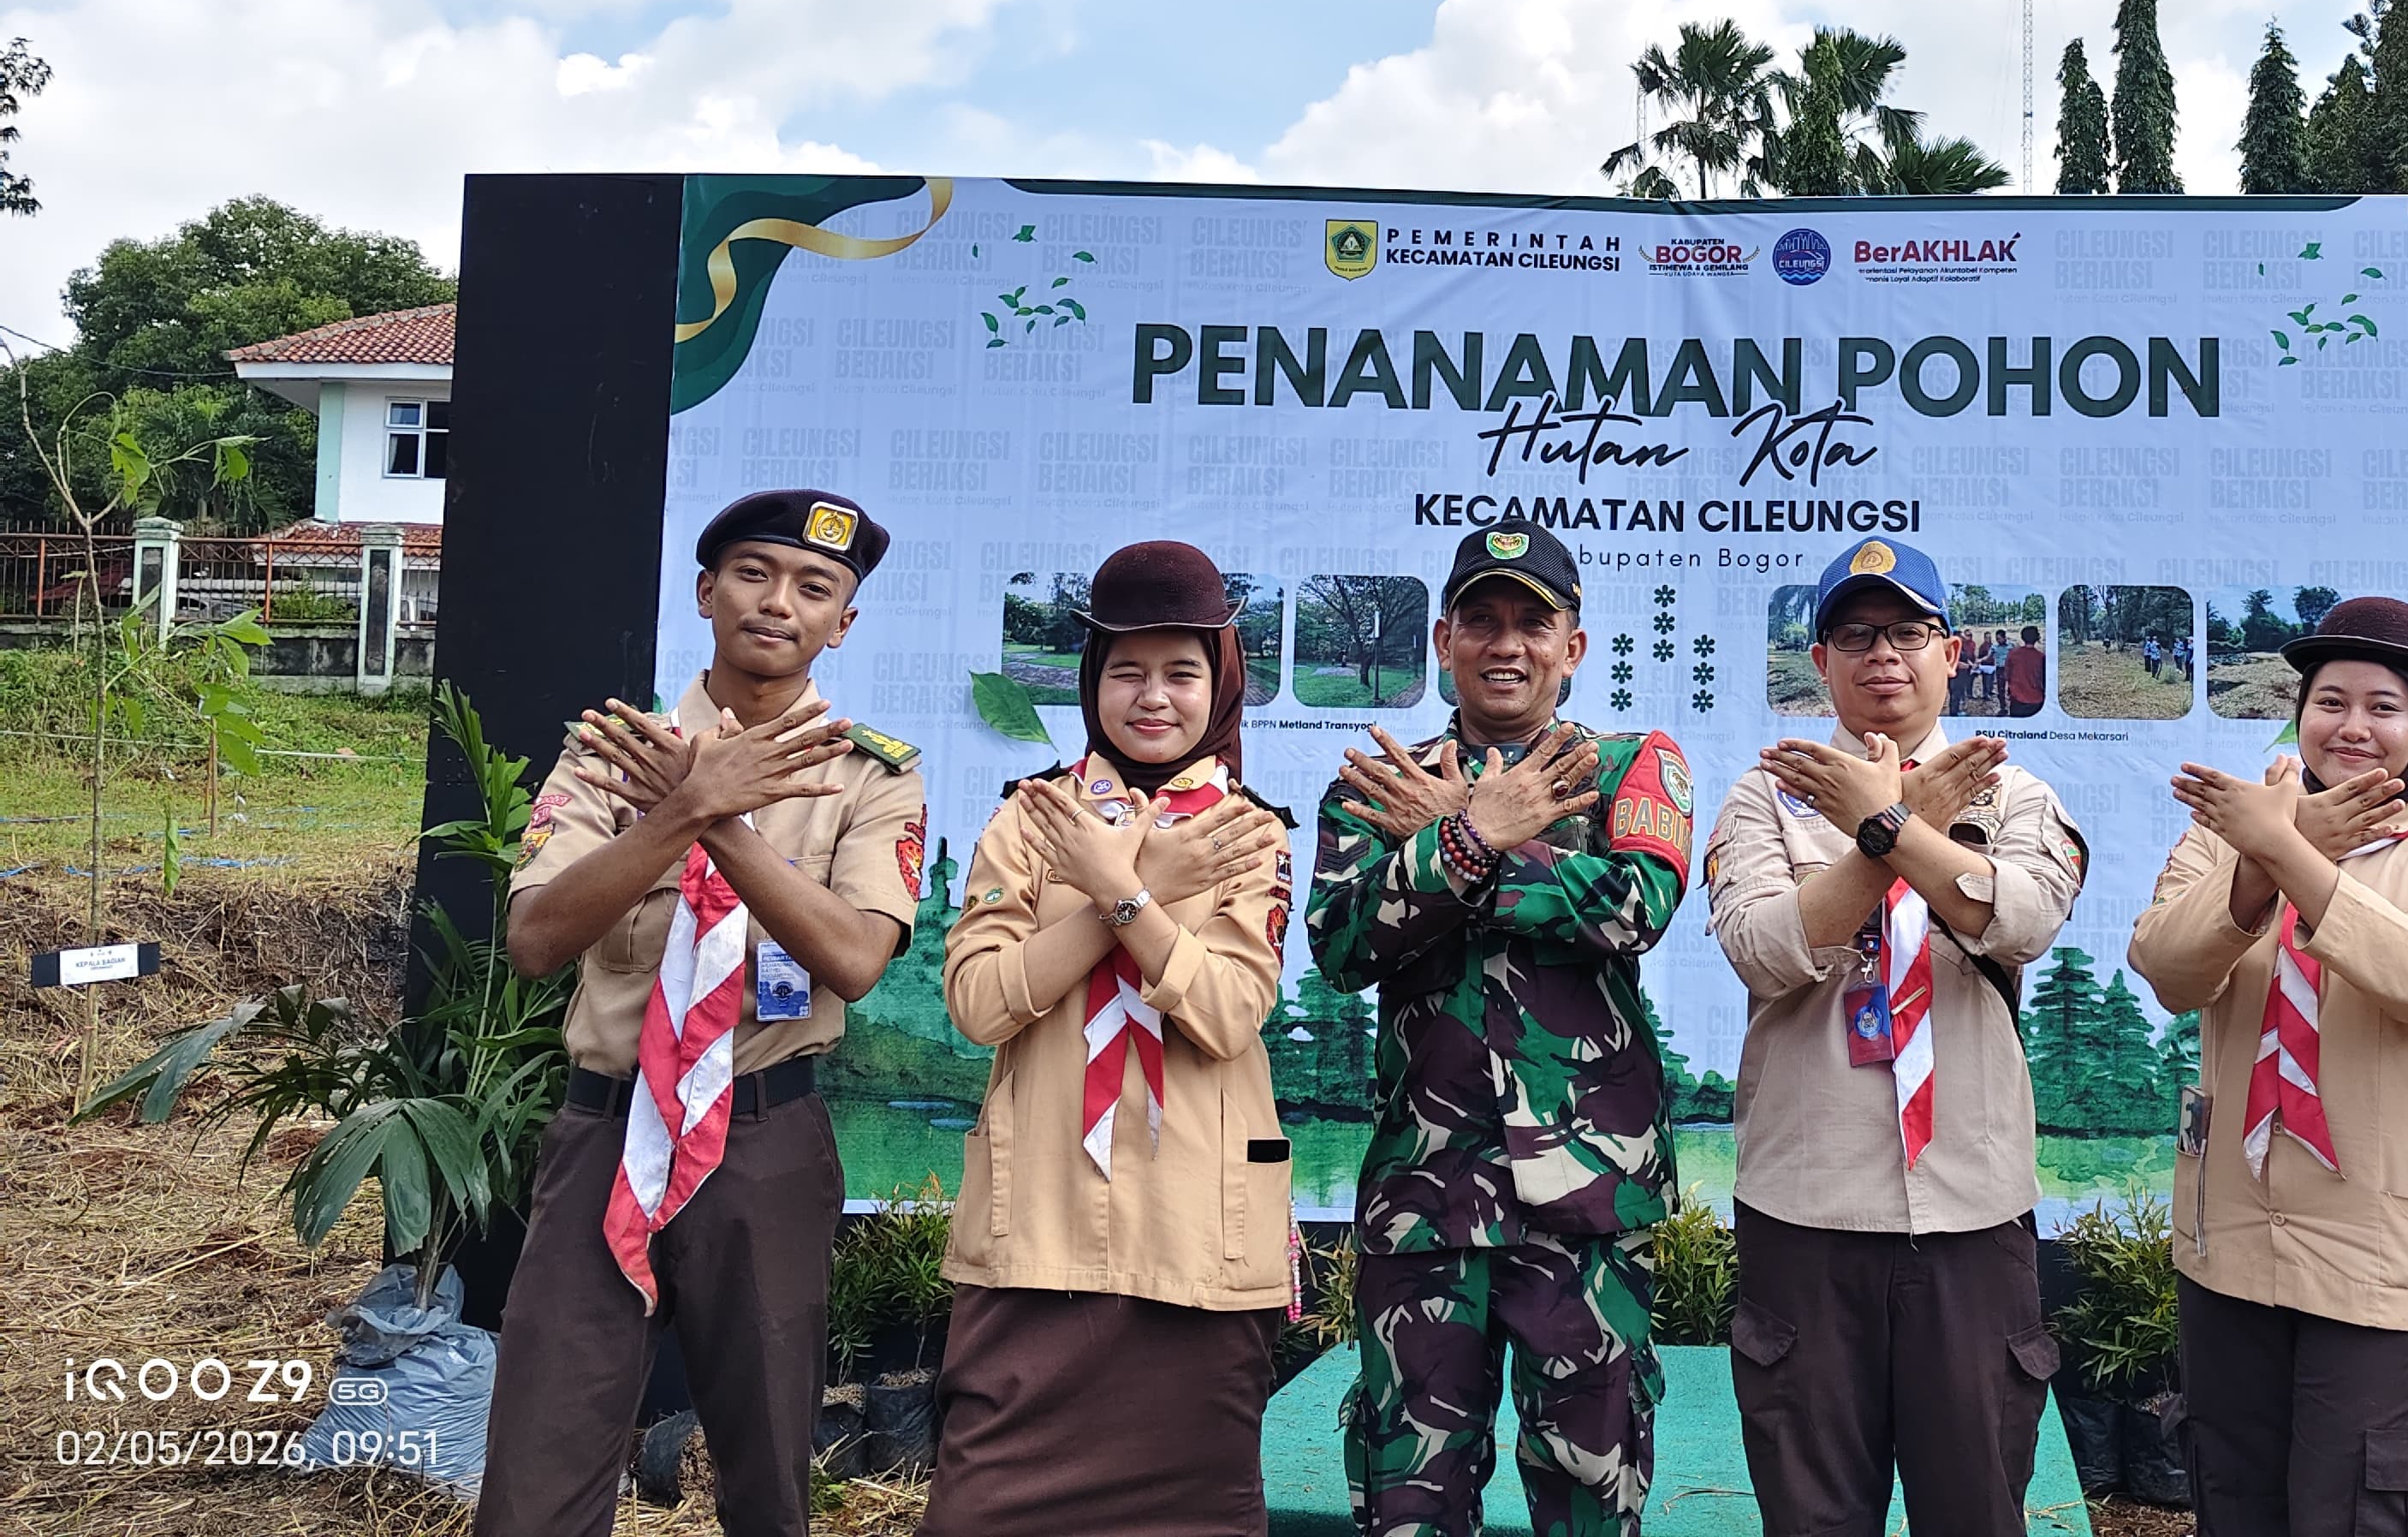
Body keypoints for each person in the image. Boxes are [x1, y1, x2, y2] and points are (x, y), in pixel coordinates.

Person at [481, 491, 925, 1537]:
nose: (780, 603)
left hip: (765, 1145)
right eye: (754, 575)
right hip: (608, 1132)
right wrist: (680, 805)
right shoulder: (613, 754)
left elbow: (856, 960)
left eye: (816, 588)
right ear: (705, 592)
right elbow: (536, 941)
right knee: (541, 1458)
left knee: (769, 1468)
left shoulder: (869, 777)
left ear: (843, 622)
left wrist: (722, 825)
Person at [1309, 523, 1696, 1537]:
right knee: (1409, 1490)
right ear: (1443, 640)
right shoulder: (1378, 783)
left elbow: (1634, 909)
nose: (1506, 643)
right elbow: (1344, 950)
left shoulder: (1629, 767)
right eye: (1481, 619)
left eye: (1535, 621)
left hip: (1589, 1190)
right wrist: (1472, 831)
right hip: (1423, 1195)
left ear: (1573, 646)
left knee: (1588, 1479)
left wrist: (1452, 845)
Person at [1704, 536, 2088, 1537]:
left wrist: (1886, 827)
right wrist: (1891, 835)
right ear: (1821, 662)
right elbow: (1761, 946)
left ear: (1951, 653)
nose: (1885, 656)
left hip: (1969, 1211)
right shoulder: (1766, 796)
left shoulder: (2013, 795)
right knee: (1814, 1514)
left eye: (1909, 632)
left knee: (1974, 1509)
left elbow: (2022, 918)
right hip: (1807, 1210)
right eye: (1857, 635)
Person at [925, 540, 1297, 1535]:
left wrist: (1129, 892)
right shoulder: (1032, 820)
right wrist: (1120, 898)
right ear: (1092, 678)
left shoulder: (1249, 833)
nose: (1152, 696)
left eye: (1181, 671)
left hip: (1192, 1247)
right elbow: (976, 1003)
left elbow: (1225, 1015)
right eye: (1126, 670)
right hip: (1037, 1234)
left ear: (1219, 681)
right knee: (978, 1513)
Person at [2129, 598, 2408, 1536]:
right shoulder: (2223, 842)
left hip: (2386, 1269)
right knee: (2234, 1504)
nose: (2351, 727)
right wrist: (2259, 860)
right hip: (2231, 1249)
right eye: (2329, 701)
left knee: (2361, 1515)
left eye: (2383, 707)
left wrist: (2289, 853)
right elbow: (2166, 969)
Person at [2002, 623, 2046, 718]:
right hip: (2036, 700)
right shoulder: (2041, 657)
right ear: (2037, 638)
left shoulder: (2012, 654)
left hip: (2017, 698)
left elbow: (2006, 675)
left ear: (2022, 637)